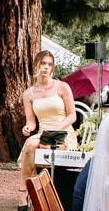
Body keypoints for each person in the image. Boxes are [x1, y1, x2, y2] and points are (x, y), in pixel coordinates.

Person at [18, 52, 77, 183]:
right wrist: (27, 128)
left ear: (52, 68)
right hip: (42, 133)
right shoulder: (28, 94)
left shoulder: (62, 87)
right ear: (36, 65)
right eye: (43, 63)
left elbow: (72, 116)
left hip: (62, 131)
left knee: (45, 146)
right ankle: (24, 189)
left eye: (49, 64)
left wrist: (56, 129)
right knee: (30, 144)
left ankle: (46, 188)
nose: (46, 67)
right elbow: (31, 122)